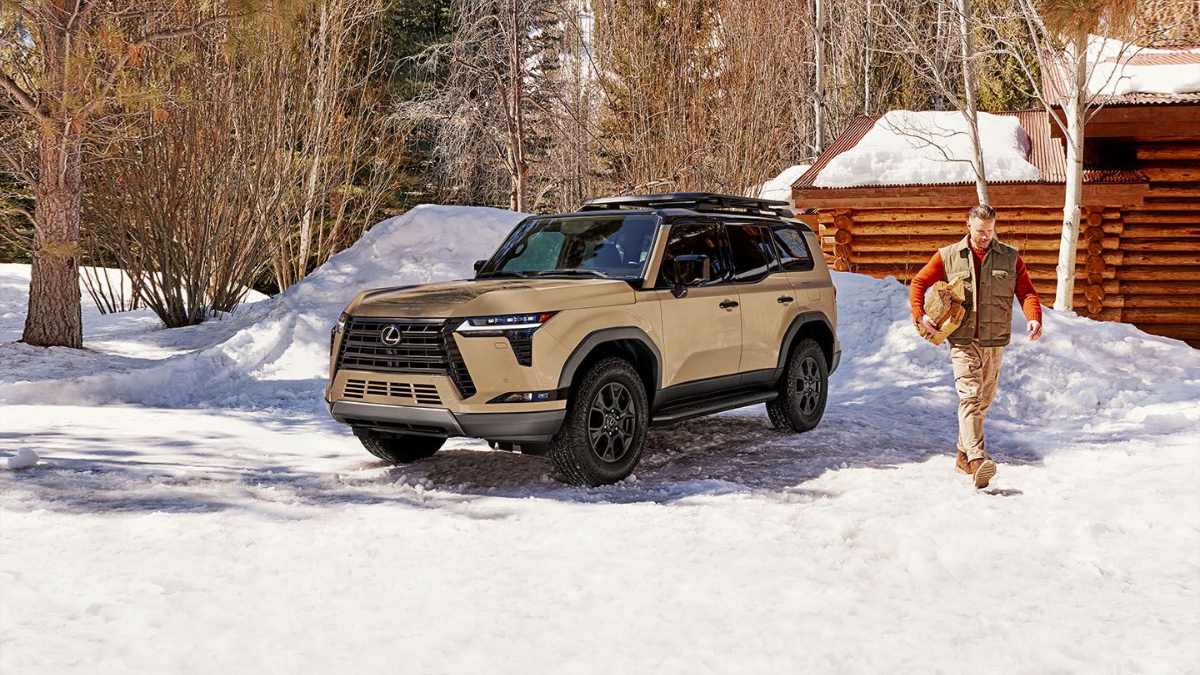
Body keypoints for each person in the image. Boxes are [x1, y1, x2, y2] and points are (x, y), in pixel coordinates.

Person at [908, 205, 1043, 489]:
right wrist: (921, 314)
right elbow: (919, 283)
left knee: (983, 401)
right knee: (970, 397)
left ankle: (962, 454)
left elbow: (1026, 291)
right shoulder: (948, 255)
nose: (985, 237)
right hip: (963, 340)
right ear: (968, 225)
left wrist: (1034, 317)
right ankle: (977, 460)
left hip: (994, 342)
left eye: (990, 231)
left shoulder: (1009, 257)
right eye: (980, 231)